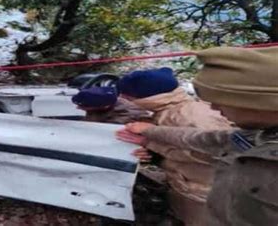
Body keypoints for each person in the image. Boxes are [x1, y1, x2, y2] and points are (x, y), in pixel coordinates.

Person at [117, 46, 278, 225]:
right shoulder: (258, 133)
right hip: (202, 195)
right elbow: (203, 139)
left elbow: (207, 155)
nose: (214, 108)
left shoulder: (192, 116)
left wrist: (153, 144)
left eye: (220, 101)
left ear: (259, 102)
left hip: (201, 194)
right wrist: (149, 136)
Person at [115, 67, 233, 226]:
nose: (123, 99)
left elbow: (215, 153)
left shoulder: (191, 117)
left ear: (148, 97)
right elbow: (181, 147)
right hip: (189, 184)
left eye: (126, 96)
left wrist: (150, 143)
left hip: (206, 192)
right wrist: (155, 156)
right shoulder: (171, 111)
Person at [71, 86, 152, 125]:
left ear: (104, 106)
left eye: (84, 106)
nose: (78, 108)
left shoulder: (127, 116)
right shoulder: (101, 102)